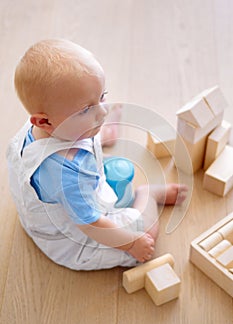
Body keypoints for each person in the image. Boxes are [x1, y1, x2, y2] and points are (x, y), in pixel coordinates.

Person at [7, 39, 188, 270]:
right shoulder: (66, 176)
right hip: (68, 234)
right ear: (44, 120)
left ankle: (105, 135)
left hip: (54, 203)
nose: (103, 111)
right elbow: (91, 225)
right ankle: (149, 196)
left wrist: (88, 118)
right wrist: (132, 243)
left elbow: (77, 124)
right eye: (85, 109)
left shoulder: (47, 125)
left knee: (88, 131)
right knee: (147, 236)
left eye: (102, 96)